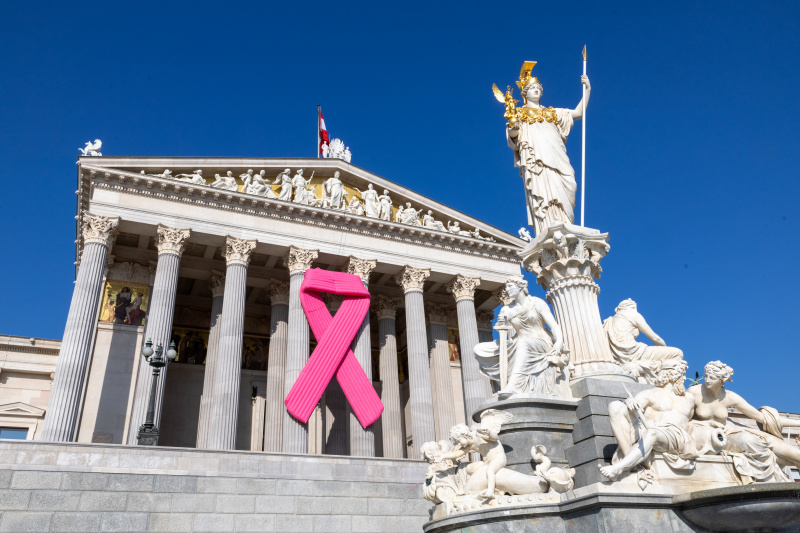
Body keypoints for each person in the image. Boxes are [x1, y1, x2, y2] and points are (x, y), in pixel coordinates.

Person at [506, 67, 590, 235]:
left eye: (539, 88)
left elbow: (578, 113)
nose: (537, 91)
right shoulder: (520, 114)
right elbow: (513, 137)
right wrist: (513, 126)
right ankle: (548, 224)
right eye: (533, 88)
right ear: (525, 93)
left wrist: (587, 89)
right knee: (542, 188)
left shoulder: (552, 112)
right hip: (537, 159)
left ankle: (565, 220)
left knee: (570, 182)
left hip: (556, 153)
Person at [688, 361, 800, 482]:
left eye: (712, 377)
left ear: (722, 380)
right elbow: (684, 421)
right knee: (754, 443)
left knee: (795, 454)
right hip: (719, 437)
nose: (707, 380)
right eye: (706, 376)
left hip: (734, 430)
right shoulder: (694, 392)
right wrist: (709, 424)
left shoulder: (730, 397)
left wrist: (798, 423)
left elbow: (762, 418)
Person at [600, 360, 697, 481]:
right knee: (615, 406)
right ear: (672, 375)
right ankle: (631, 464)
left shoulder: (689, 398)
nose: (684, 378)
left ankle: (620, 467)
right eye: (682, 374)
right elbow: (635, 406)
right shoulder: (650, 394)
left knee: (652, 433)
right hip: (655, 431)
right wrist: (629, 401)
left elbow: (691, 420)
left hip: (679, 437)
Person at [473, 276, 568, 397]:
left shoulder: (537, 303)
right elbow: (502, 329)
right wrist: (501, 322)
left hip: (541, 343)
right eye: (506, 287)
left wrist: (559, 341)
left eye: (510, 286)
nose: (507, 289)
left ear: (521, 287)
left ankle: (514, 385)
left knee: (523, 343)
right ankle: (506, 381)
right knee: (479, 349)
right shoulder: (506, 309)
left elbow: (554, 325)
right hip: (519, 342)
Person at [603, 299, 684, 384]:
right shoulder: (633, 314)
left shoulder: (610, 321)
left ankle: (641, 367)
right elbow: (655, 338)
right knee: (677, 353)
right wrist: (665, 350)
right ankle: (638, 366)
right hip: (635, 352)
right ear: (633, 307)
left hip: (620, 357)